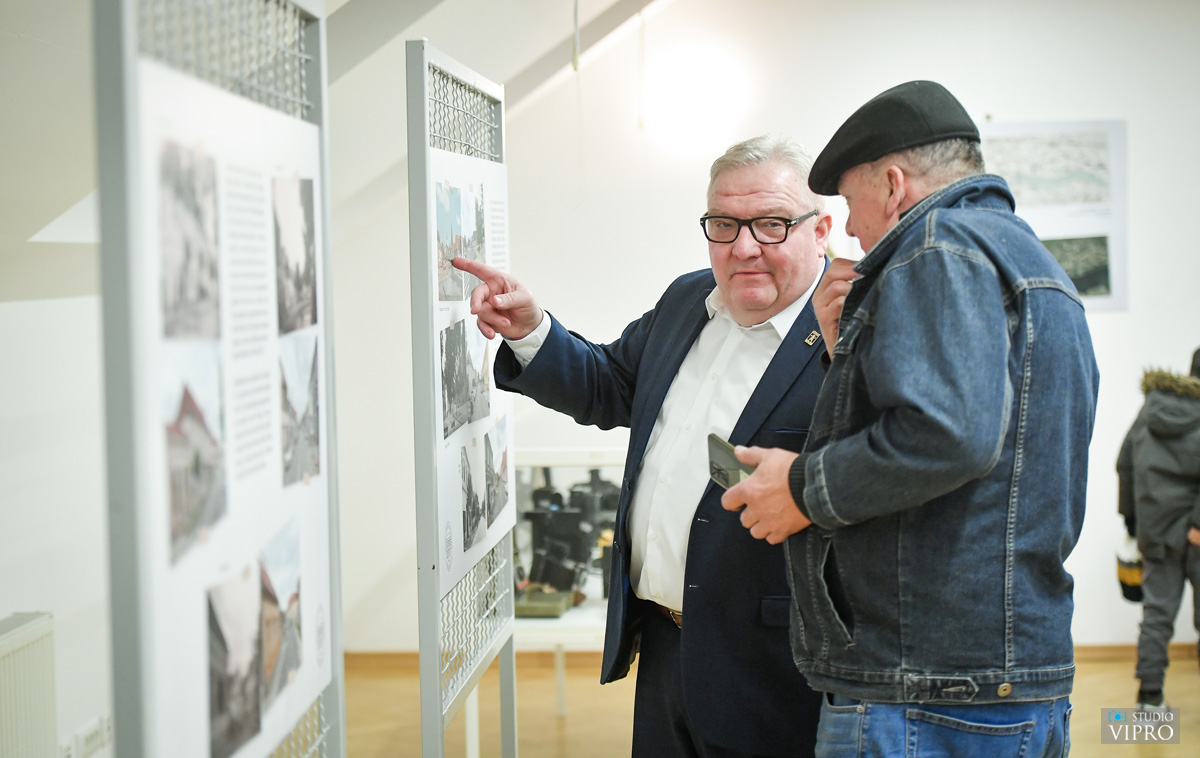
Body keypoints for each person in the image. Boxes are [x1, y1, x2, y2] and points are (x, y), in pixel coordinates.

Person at [721, 81, 1100, 756]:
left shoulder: (935, 244)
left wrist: (800, 489)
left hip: (922, 689)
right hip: (1005, 676)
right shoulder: (1032, 262)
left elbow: (950, 435)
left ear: (893, 185)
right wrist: (849, 352)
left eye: (851, 203)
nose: (853, 230)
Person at [454, 136, 831, 757]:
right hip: (663, 644)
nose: (743, 247)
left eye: (771, 224)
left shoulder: (852, 333)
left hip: (776, 668)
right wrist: (532, 332)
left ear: (820, 231)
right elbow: (612, 384)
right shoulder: (688, 301)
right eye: (724, 224)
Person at [1116, 348, 1200, 710]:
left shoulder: (1150, 407)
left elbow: (1124, 464)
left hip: (1157, 532)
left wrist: (1134, 521)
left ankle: (1149, 700)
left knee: (1156, 617)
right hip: (1197, 533)